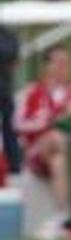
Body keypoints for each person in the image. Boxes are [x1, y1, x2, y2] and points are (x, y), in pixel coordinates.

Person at [14, 44, 71, 240]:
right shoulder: (33, 92)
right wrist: (45, 120)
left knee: (58, 156)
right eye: (58, 62)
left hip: (67, 152)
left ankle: (63, 216)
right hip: (38, 153)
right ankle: (64, 216)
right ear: (47, 66)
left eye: (66, 63)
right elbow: (18, 124)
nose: (63, 67)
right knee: (55, 138)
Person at [0, 25, 20, 175]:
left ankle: (14, 168)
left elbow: (11, 55)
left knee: (9, 132)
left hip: (4, 92)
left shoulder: (7, 36)